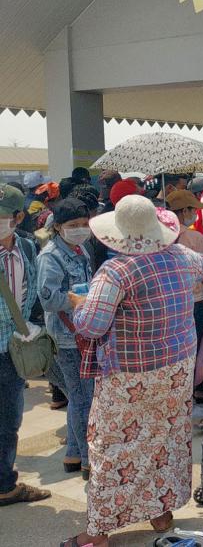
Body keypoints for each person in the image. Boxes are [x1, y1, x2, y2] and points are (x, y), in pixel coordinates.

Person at [63, 195, 203, 546]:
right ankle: (160, 511)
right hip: (176, 368)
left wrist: (79, 305)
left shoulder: (116, 272)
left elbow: (92, 327)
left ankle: (97, 533)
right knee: (166, 439)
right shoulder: (181, 257)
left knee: (112, 447)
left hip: (130, 375)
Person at [35, 199, 95, 480]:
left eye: (84, 224)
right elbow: (47, 298)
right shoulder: (50, 256)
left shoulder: (81, 248)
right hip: (67, 337)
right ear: (58, 227)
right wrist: (76, 300)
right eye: (73, 226)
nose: (80, 230)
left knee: (78, 396)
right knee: (83, 398)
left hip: (83, 332)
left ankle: (73, 452)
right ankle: (87, 460)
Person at [0, 185, 51, 508]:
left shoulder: (28, 248)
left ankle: (5, 484)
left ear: (18, 217)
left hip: (13, 349)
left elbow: (29, 292)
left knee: (8, 420)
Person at [167, 190, 203, 349]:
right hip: (194, 300)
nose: (196, 214)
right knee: (193, 345)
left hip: (168, 301)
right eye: (194, 210)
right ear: (184, 211)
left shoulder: (159, 237)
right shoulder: (195, 237)